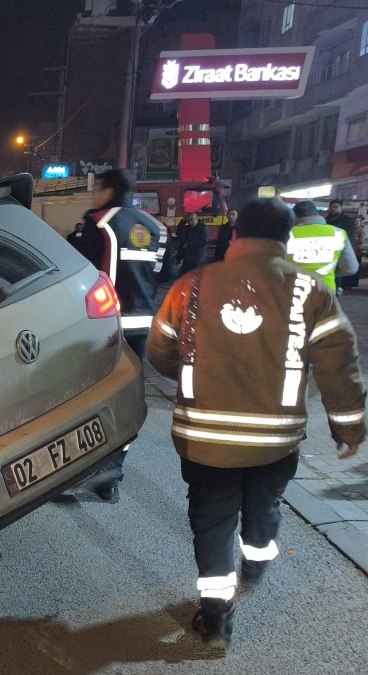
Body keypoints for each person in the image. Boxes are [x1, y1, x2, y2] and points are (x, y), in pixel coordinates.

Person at [147, 197, 365, 650]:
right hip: (275, 442)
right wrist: (349, 427)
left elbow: (161, 351)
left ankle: (216, 614)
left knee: (211, 522)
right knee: (264, 506)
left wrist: (195, 377)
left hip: (204, 440)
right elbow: (338, 366)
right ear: (286, 239)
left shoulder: (192, 285)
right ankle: (258, 559)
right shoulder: (312, 290)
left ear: (235, 233)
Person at [76, 168, 166, 502]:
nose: (93, 195)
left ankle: (83, 469)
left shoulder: (99, 222)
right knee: (126, 399)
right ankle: (113, 475)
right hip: (142, 324)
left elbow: (82, 272)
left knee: (91, 400)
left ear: (109, 190)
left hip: (104, 325)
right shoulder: (155, 227)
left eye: (96, 189)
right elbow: (164, 272)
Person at [287, 200, 357, 293]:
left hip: (294, 291)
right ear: (316, 214)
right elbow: (350, 268)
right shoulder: (339, 233)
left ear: (294, 216)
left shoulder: (286, 234)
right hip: (326, 291)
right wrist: (330, 272)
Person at [326, 200, 358, 292]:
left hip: (340, 248)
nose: (333, 209)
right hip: (327, 249)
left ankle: (338, 287)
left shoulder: (348, 220)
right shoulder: (325, 220)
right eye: (331, 207)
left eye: (335, 207)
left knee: (338, 268)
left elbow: (350, 236)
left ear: (341, 207)